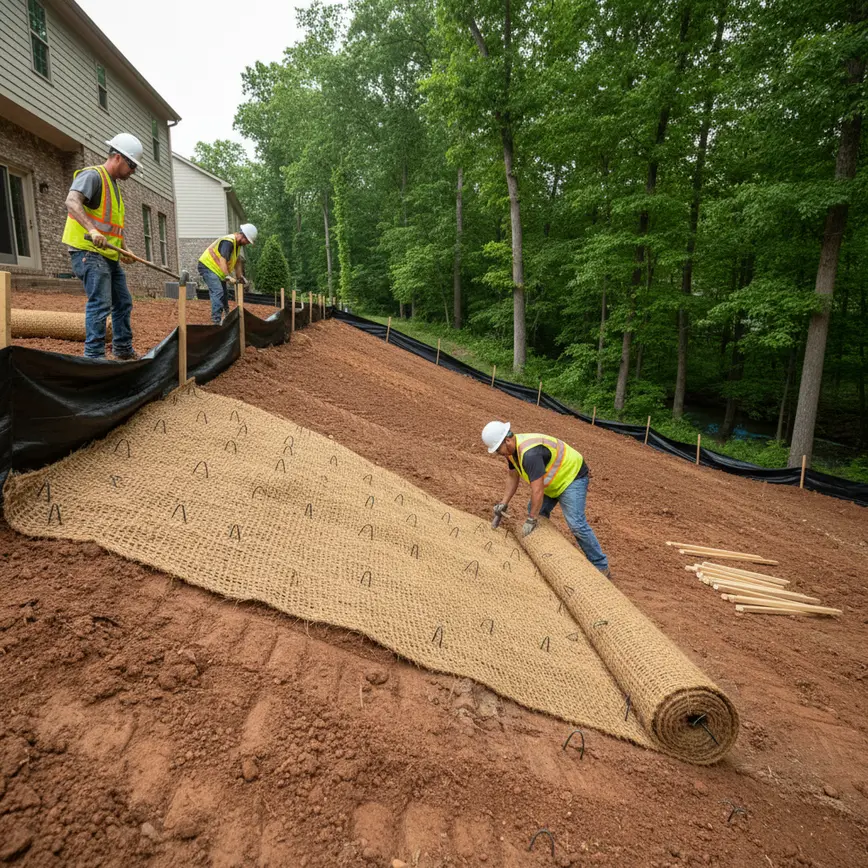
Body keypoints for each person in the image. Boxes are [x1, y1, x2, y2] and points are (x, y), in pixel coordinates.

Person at [481, 421, 610, 576]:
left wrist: (531, 519)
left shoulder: (530, 454)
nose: (498, 454)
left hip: (572, 477)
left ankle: (600, 565)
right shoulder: (511, 452)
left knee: (576, 523)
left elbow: (537, 491)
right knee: (536, 512)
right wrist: (504, 503)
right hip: (553, 480)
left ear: (507, 440)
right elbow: (512, 476)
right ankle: (542, 550)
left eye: (497, 450)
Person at [63, 133, 142, 360]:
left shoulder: (115, 188)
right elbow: (71, 201)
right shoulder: (93, 176)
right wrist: (92, 230)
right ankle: (94, 358)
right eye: (132, 165)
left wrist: (125, 249)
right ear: (117, 157)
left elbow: (113, 227)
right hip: (88, 251)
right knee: (100, 303)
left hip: (108, 254)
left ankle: (123, 350)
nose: (133, 171)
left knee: (123, 301)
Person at [197, 224, 258, 324]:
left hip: (217, 270)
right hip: (207, 266)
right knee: (218, 291)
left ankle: (227, 316)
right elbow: (223, 259)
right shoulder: (228, 242)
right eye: (247, 241)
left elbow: (237, 261)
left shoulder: (237, 245)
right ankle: (216, 321)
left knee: (224, 294)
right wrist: (227, 276)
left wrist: (240, 276)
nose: (247, 243)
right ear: (243, 236)